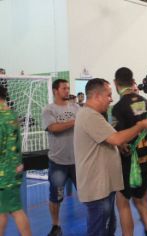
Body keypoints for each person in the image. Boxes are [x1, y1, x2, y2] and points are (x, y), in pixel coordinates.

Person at [74, 78, 147, 236]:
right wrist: (140, 126)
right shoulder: (90, 116)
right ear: (97, 96)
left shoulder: (94, 115)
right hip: (98, 189)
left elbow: (110, 138)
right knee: (100, 231)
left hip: (104, 187)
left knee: (108, 229)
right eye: (108, 95)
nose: (111, 99)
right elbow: (116, 137)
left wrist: (118, 145)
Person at [112, 67, 147, 236]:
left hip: (128, 163)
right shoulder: (145, 102)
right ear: (133, 82)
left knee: (123, 203)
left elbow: (118, 139)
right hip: (146, 159)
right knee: (141, 202)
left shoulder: (118, 108)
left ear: (116, 83)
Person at [42, 79, 79, 236]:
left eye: (68, 88)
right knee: (56, 196)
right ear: (55, 91)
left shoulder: (76, 107)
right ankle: (56, 225)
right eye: (64, 88)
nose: (67, 90)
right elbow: (53, 128)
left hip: (78, 161)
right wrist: (75, 122)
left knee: (87, 193)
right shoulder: (49, 110)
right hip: (58, 162)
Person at [0, 85, 32, 236]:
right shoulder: (11, 114)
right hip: (13, 169)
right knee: (3, 211)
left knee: (15, 210)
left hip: (4, 174)